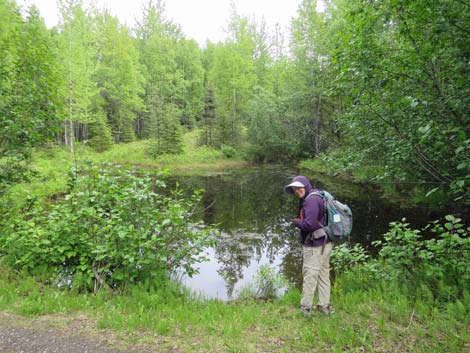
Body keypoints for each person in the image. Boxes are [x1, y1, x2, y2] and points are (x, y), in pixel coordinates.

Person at [284, 175, 335, 317]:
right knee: (324, 275)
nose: (297, 191)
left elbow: (309, 224)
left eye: (299, 188)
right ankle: (324, 306)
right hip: (326, 243)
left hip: (315, 246)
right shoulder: (317, 195)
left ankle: (306, 308)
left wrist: (296, 222)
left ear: (306, 186)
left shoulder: (311, 200)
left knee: (310, 275)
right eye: (294, 189)